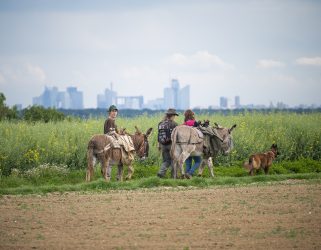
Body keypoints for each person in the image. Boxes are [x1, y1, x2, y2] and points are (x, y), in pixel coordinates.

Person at [157, 108, 179, 178]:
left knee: (166, 161)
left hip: (163, 145)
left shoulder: (161, 123)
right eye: (174, 115)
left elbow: (159, 135)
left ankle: (161, 172)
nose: (174, 117)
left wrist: (159, 144)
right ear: (172, 115)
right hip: (172, 145)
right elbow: (177, 136)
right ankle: (173, 177)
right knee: (174, 161)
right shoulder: (174, 124)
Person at [183, 109, 201, 178]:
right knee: (198, 161)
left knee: (188, 163)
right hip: (194, 146)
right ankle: (190, 173)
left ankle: (186, 176)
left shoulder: (184, 124)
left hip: (185, 146)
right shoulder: (195, 123)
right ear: (192, 115)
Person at [104, 105, 120, 180]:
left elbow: (115, 131)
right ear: (109, 112)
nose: (114, 113)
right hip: (109, 138)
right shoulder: (109, 120)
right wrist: (117, 134)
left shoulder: (113, 121)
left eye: (115, 111)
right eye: (113, 111)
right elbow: (110, 132)